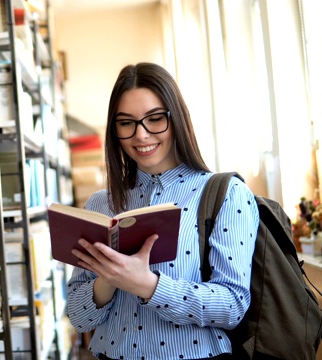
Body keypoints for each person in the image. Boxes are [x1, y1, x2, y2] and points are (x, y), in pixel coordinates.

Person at [65, 62, 260, 360]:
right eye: (126, 122)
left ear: (176, 118)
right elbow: (78, 317)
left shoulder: (227, 194)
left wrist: (147, 285)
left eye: (155, 119)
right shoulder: (99, 204)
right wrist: (109, 278)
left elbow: (232, 305)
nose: (141, 135)